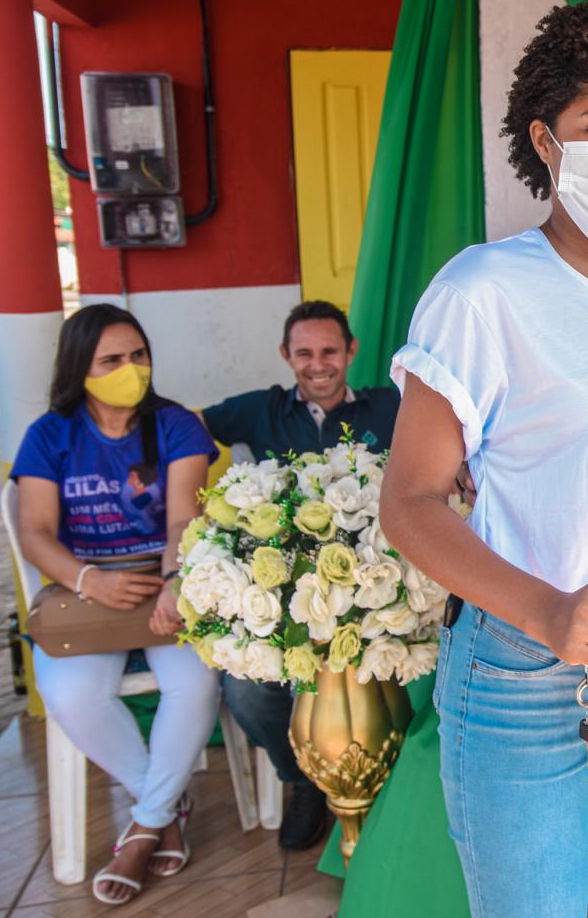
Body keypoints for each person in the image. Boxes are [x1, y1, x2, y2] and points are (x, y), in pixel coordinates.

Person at [378, 0, 588, 918]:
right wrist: (550, 610)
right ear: (547, 138)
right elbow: (407, 503)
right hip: (525, 668)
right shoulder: (483, 288)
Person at [10, 305, 219, 905]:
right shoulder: (50, 435)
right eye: (112, 360)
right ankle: (162, 809)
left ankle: (142, 830)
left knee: (197, 684)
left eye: (139, 355)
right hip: (89, 593)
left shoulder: (175, 425)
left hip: (163, 582)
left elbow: (184, 516)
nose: (132, 369)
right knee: (72, 694)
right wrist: (88, 579)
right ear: (81, 367)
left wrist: (176, 578)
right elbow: (36, 533)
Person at [197, 300, 399, 849]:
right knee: (246, 695)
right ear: (286, 356)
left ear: (351, 350)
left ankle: (383, 793)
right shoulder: (261, 411)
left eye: (329, 351)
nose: (318, 365)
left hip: (372, 599)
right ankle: (304, 780)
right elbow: (183, 428)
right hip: (279, 598)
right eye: (304, 353)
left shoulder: (389, 407)